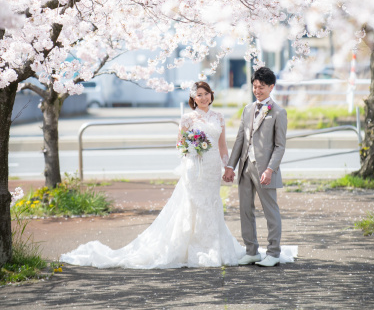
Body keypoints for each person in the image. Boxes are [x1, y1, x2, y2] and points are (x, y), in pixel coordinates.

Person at [60, 81, 245, 268]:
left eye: (206, 93)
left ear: (211, 95)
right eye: (199, 95)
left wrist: (228, 167)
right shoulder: (187, 118)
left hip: (212, 169)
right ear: (193, 99)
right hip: (194, 168)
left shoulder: (219, 117)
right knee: (193, 205)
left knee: (211, 204)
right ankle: (190, 248)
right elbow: (179, 144)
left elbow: (222, 146)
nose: (204, 98)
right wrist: (192, 149)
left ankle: (213, 246)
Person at [223, 66, 291, 267]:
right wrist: (230, 166)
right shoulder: (247, 109)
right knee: (245, 210)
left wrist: (270, 169)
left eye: (261, 87)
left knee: (271, 211)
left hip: (265, 171)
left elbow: (280, 146)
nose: (257, 90)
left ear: (271, 87)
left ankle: (273, 253)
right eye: (254, 86)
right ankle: (251, 251)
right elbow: (239, 140)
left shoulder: (279, 112)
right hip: (245, 167)